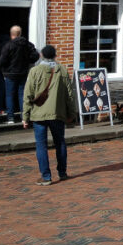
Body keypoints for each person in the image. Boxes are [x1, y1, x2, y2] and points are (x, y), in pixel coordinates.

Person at [22, 45, 76, 186]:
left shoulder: (34, 71)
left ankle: (46, 176)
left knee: (41, 145)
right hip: (57, 113)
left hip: (39, 114)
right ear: (55, 55)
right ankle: (62, 172)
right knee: (60, 143)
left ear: (41, 55)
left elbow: (28, 95)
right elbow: (70, 95)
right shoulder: (62, 70)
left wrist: (25, 116)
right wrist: (72, 113)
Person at [0, 25, 39, 124]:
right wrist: (28, 62)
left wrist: (5, 68)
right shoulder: (28, 44)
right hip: (23, 73)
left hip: (10, 74)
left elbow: (2, 61)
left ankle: (10, 118)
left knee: (9, 96)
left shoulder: (8, 45)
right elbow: (35, 56)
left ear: (11, 34)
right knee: (22, 95)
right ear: (20, 34)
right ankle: (23, 116)